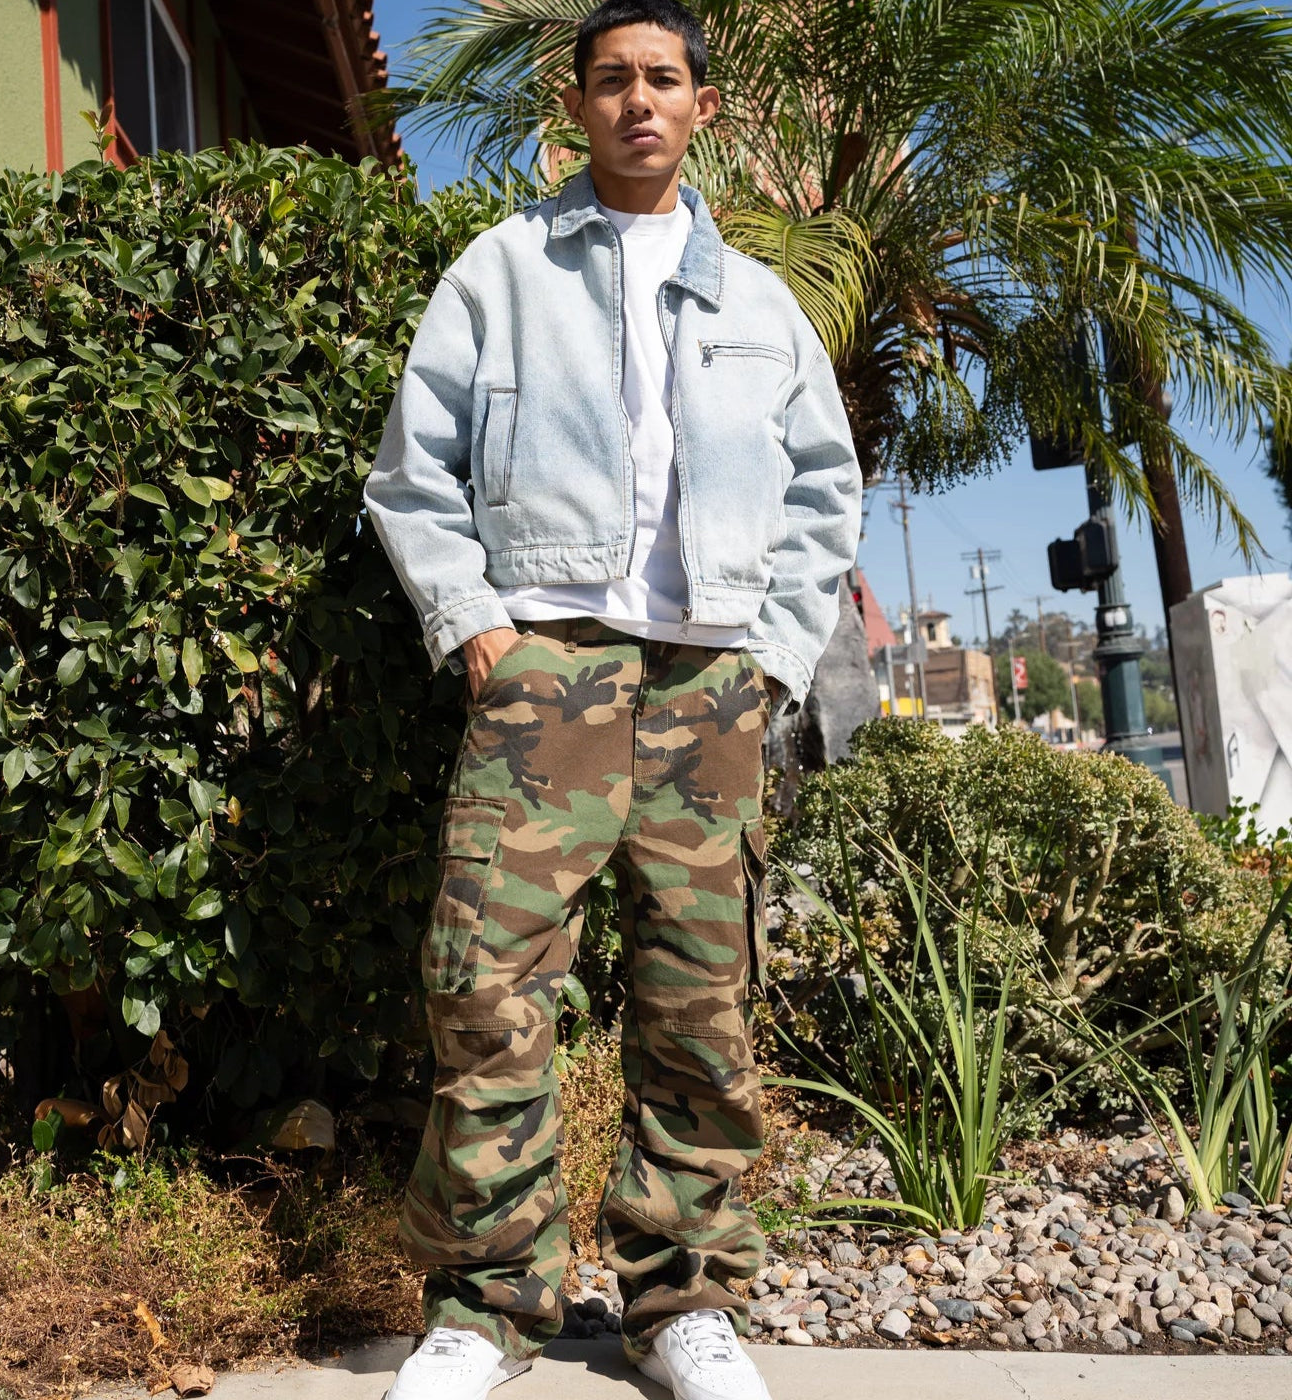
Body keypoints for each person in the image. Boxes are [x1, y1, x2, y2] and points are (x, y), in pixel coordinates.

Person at [362, 2, 862, 1398]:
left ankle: (682, 1302)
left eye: (663, 79)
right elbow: (414, 470)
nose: (639, 100)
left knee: (702, 1001)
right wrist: (477, 627)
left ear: (703, 105)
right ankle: (485, 1309)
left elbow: (824, 492)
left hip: (710, 685)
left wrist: (771, 658)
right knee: (488, 988)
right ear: (576, 106)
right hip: (551, 674)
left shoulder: (760, 304)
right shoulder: (502, 270)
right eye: (612, 80)